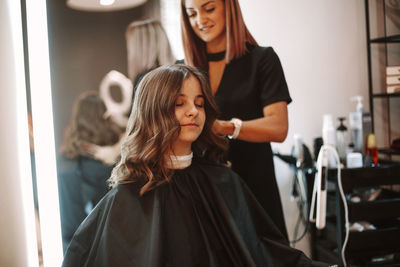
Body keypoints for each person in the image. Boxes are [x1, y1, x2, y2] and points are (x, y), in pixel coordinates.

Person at [62, 64, 331, 267]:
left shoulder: (223, 181)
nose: (193, 111)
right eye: (179, 103)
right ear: (153, 113)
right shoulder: (128, 195)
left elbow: (265, 249)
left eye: (199, 103)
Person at [180, 0, 291, 240]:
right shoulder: (183, 71)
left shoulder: (262, 59)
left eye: (209, 9)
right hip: (203, 190)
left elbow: (278, 127)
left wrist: (224, 127)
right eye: (191, 14)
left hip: (254, 184)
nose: (200, 20)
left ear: (228, 7)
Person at [85, 19, 176, 164]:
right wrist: (124, 121)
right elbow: (157, 121)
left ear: (140, 47)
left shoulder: (144, 79)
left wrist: (112, 152)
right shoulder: (178, 74)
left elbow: (144, 129)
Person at [57, 90, 124, 253]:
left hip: (79, 252)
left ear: (77, 120)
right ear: (105, 118)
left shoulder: (67, 166)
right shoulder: (121, 166)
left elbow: (69, 226)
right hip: (117, 250)